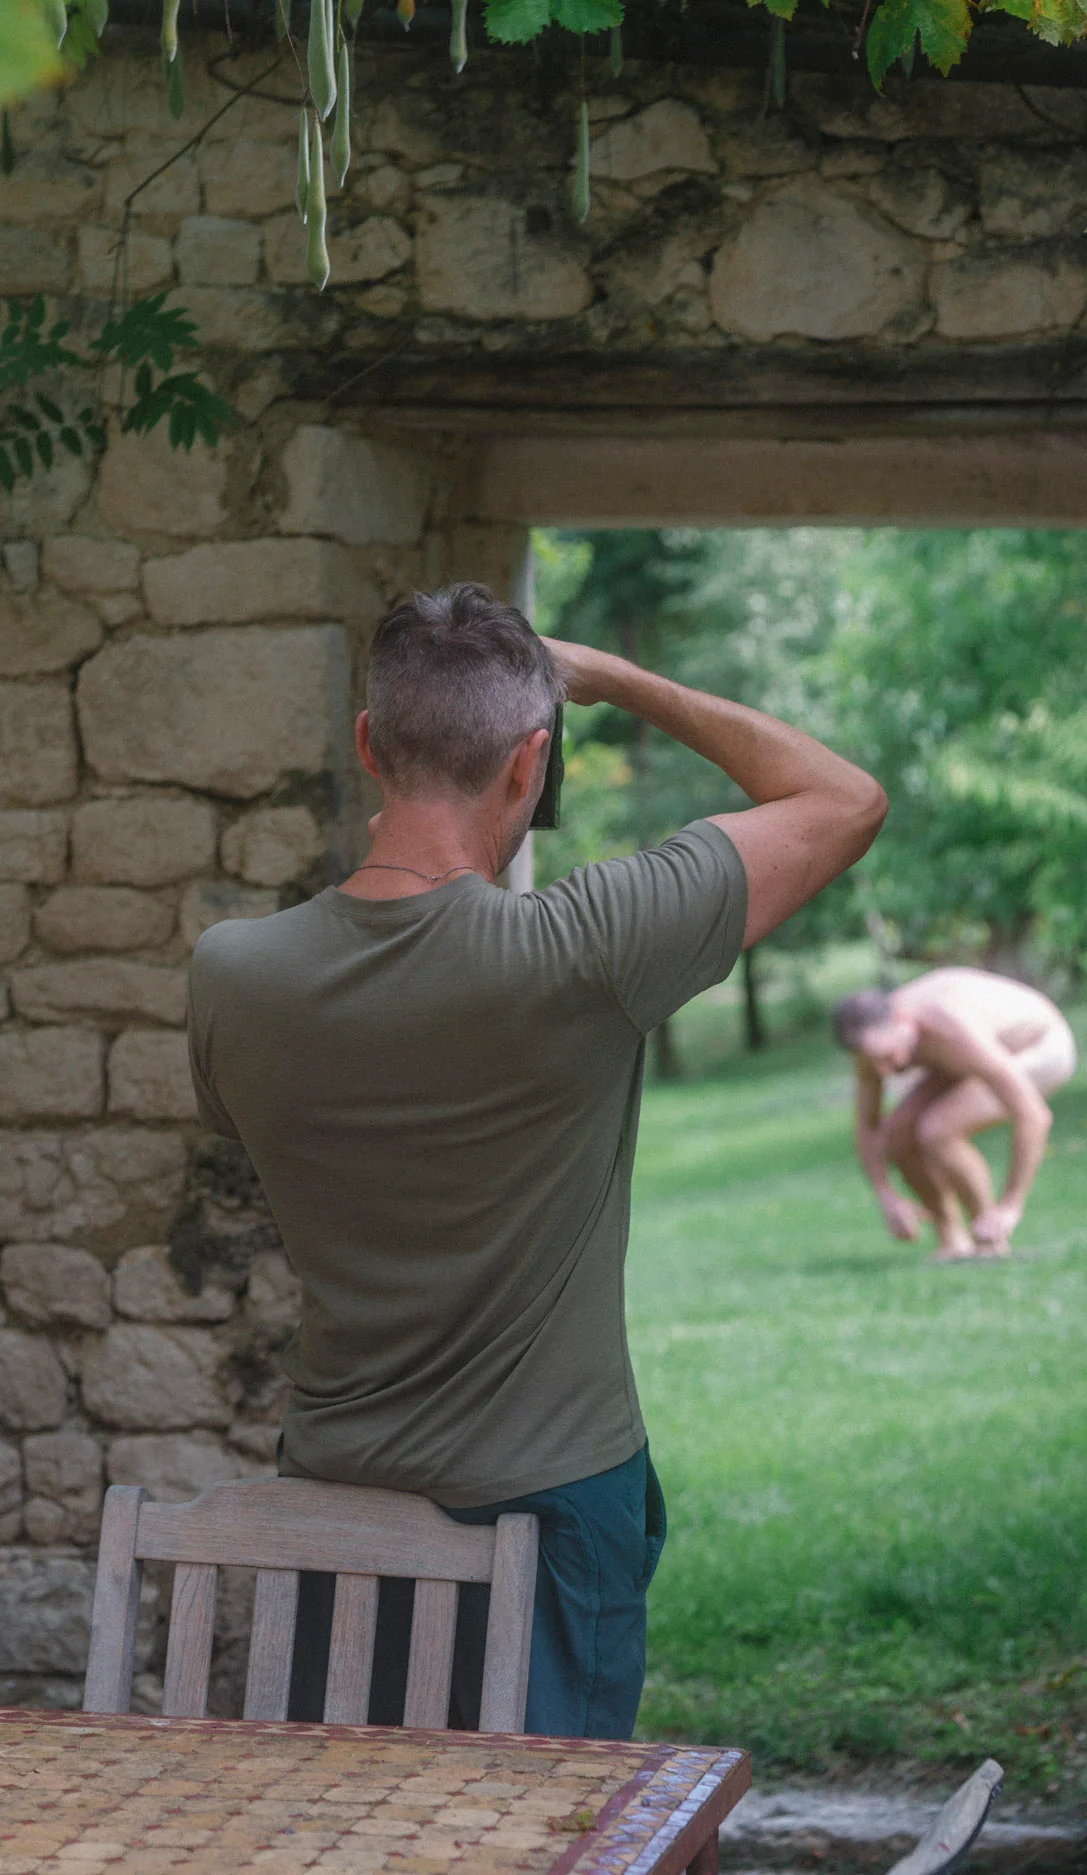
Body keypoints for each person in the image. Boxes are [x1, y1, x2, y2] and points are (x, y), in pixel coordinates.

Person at [186, 583, 884, 1740]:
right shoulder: (582, 953)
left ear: (367, 745)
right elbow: (842, 798)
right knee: (548, 1838)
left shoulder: (233, 974)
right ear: (533, 765)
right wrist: (622, 679)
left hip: (334, 1497)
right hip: (547, 1502)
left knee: (349, 1839)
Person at [834, 967, 1076, 1262]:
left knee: (938, 1129)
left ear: (901, 1022)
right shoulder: (871, 1044)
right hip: (972, 1059)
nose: (885, 1071)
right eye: (874, 1064)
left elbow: (1033, 1115)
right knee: (898, 1133)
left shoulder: (950, 1027)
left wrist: (1011, 1204)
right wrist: (886, 1196)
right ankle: (951, 1240)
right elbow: (868, 1127)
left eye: (886, 1057)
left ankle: (989, 1239)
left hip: (1040, 1047)